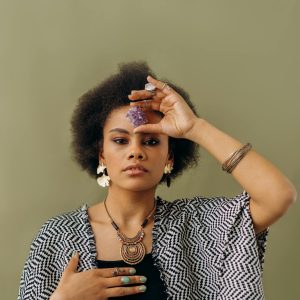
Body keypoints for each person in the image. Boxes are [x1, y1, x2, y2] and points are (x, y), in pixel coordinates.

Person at [18, 62, 297, 300]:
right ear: (101, 154)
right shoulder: (56, 237)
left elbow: (278, 195)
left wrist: (194, 127)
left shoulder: (200, 227)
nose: (136, 151)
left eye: (151, 141)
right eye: (120, 140)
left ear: (169, 158)